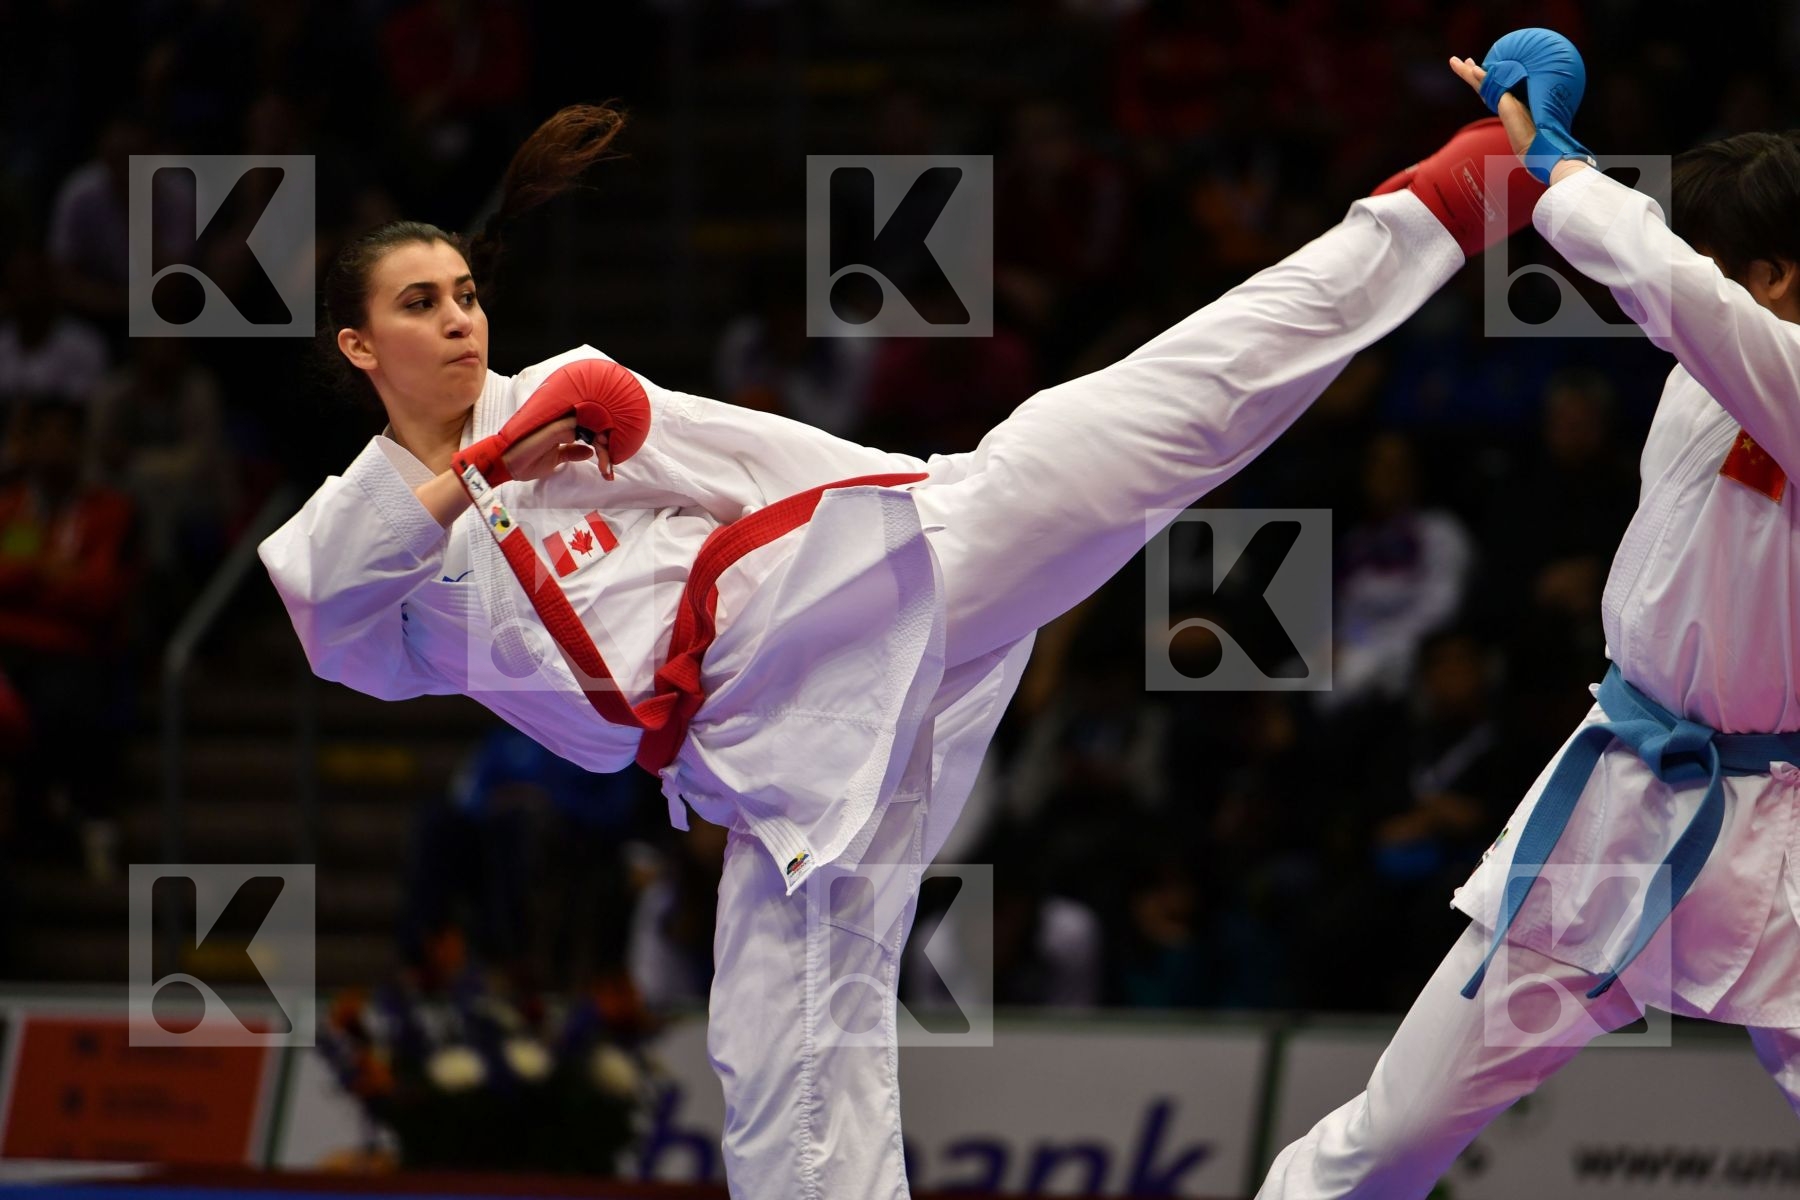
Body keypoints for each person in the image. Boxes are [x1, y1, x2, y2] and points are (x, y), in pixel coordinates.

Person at [260, 99, 1535, 1198]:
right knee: (781, 1070)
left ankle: (1458, 188)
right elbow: (327, 604)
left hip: (869, 588)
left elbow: (773, 465)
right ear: (360, 347)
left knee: (1174, 412)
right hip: (777, 768)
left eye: (468, 293)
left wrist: (934, 506)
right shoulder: (383, 562)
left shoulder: (571, 394)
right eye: (420, 305)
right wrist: (483, 468)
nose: (462, 322)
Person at [1260, 31, 1800, 1199]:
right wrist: (1546, 152)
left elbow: (1668, 279)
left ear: (1777, 276)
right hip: (1620, 801)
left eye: (1717, 255)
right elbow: (1662, 281)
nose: (1686, 274)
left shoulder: (1779, 369)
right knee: (1393, 1139)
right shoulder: (1704, 353)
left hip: (1788, 833)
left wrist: (1557, 154)